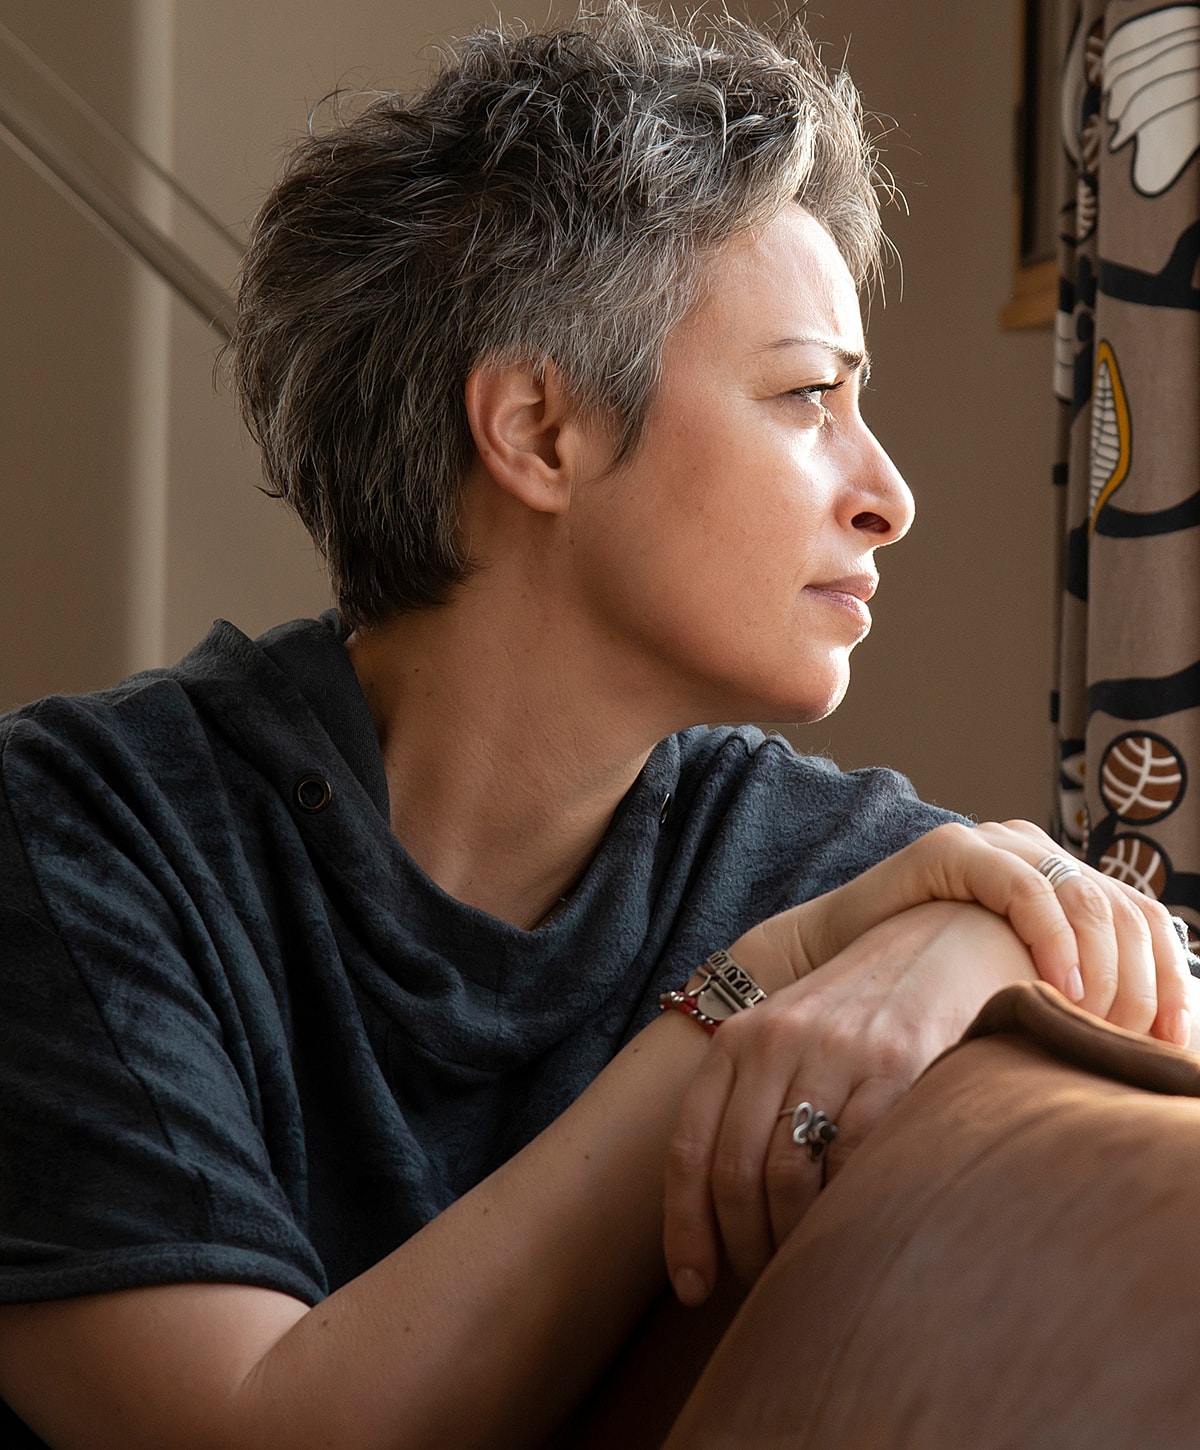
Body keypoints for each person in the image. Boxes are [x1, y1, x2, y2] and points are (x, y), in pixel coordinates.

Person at [0, 5, 1192, 1447]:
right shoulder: (83, 837)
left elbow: (1147, 989)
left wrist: (984, 930)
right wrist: (747, 993)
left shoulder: (810, 850)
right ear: (539, 432)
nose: (890, 493)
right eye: (809, 397)